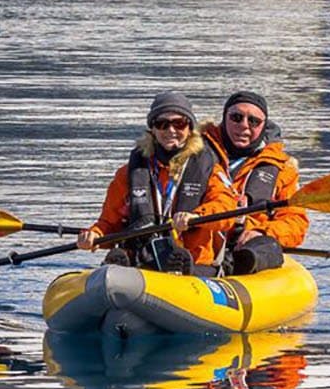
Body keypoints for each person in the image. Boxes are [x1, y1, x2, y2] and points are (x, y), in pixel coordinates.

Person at [79, 91, 241, 274]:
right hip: (144, 262)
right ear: (153, 130)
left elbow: (227, 210)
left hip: (194, 263)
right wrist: (94, 235)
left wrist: (196, 217)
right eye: (162, 124)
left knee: (186, 264)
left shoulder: (209, 169)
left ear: (189, 129)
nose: (171, 131)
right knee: (122, 260)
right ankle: (122, 268)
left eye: (179, 124)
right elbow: (109, 222)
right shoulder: (128, 173)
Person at [203, 89, 309, 275]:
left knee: (267, 247)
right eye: (236, 117)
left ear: (263, 126)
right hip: (204, 239)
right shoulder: (196, 155)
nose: (244, 126)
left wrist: (262, 231)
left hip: (248, 246)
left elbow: (295, 222)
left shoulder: (282, 168)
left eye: (253, 121)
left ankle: (239, 264)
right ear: (224, 118)